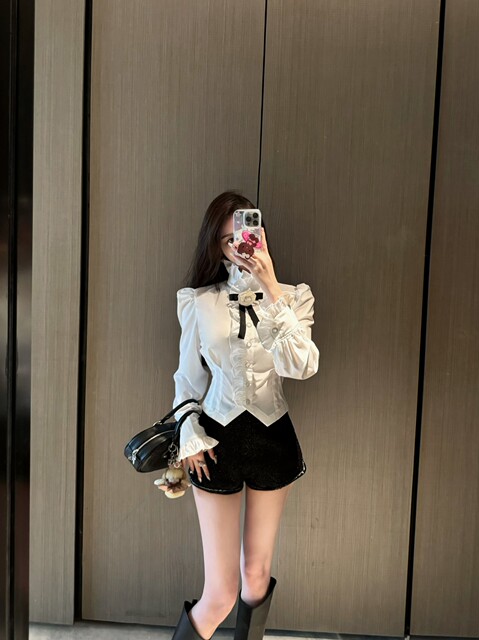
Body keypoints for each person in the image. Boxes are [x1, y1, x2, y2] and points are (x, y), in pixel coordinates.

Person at [170, 191, 320, 640]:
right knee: (221, 593)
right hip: (214, 444)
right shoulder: (199, 302)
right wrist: (188, 433)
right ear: (215, 247)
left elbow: (301, 366)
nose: (238, 245)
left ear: (260, 233)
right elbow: (187, 380)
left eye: (245, 234)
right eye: (226, 239)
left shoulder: (294, 297)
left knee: (255, 580)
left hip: (273, 439)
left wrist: (271, 287)